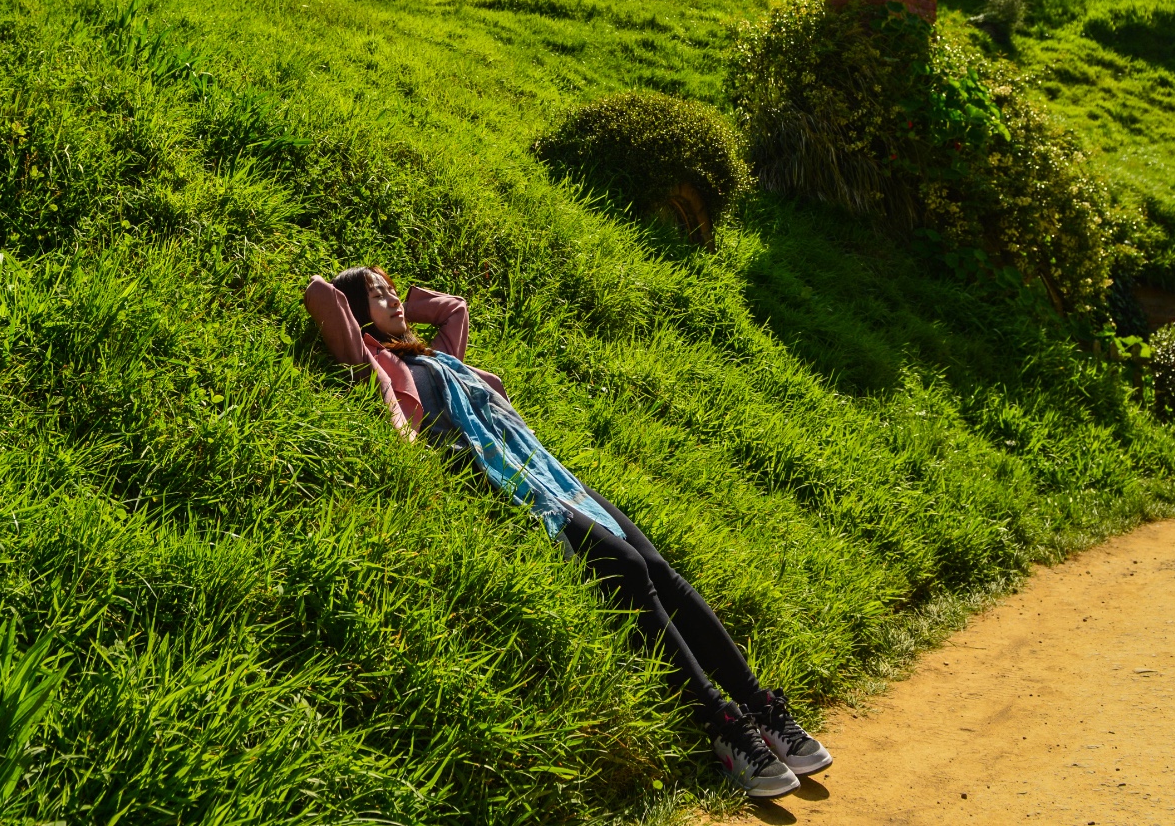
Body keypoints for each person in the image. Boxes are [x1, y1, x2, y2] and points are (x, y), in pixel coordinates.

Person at [303, 265, 831, 799]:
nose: (392, 299)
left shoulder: (436, 355)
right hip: (507, 486)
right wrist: (355, 296)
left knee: (658, 568)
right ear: (356, 309)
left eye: (393, 291)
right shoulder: (375, 362)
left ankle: (762, 708)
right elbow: (320, 296)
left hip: (548, 472)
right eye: (378, 295)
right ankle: (723, 728)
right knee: (625, 571)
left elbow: (453, 308)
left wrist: (400, 304)